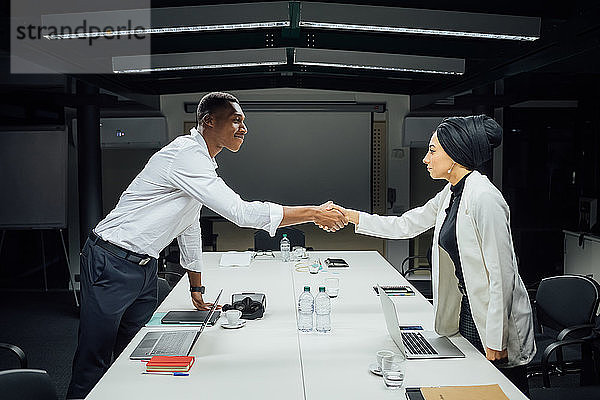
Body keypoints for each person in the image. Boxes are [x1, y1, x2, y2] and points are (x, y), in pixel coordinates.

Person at [67, 92, 347, 399]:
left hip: (144, 267)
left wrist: (196, 289)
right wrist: (312, 213)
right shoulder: (185, 155)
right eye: (236, 120)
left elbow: (188, 226)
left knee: (137, 355)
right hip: (111, 258)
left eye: (244, 122)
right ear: (208, 121)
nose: (244, 128)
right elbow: (240, 213)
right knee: (94, 361)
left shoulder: (202, 163)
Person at [330, 115, 535, 395]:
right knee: (471, 387)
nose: (426, 159)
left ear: (455, 153)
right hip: (468, 310)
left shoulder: (484, 198)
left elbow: (502, 275)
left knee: (501, 390)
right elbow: (405, 225)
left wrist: (497, 338)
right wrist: (353, 217)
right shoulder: (451, 194)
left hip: (491, 320)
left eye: (432, 150)